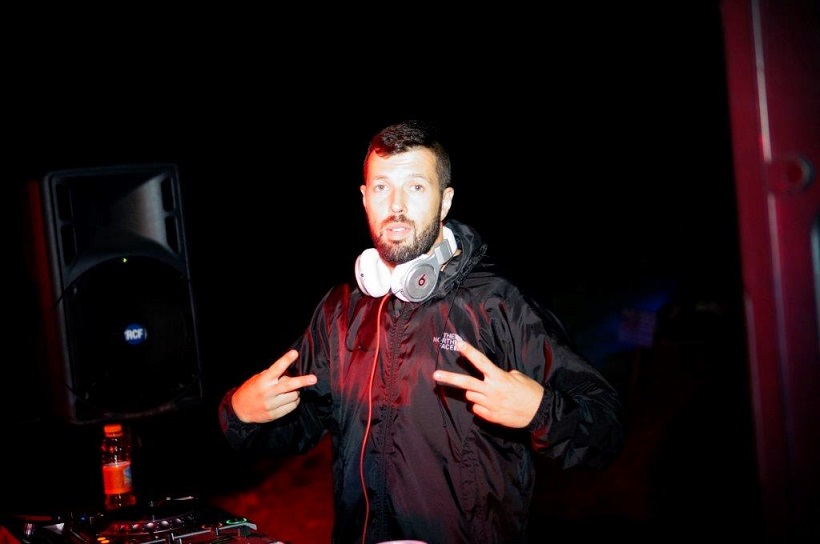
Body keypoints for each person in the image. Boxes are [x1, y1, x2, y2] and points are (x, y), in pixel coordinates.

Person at [218, 119, 626, 543]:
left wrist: (540, 411)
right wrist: (241, 413)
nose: (396, 205)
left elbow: (606, 427)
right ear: (364, 198)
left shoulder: (497, 304)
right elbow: (299, 423)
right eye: (382, 187)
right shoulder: (340, 310)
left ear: (445, 201)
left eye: (415, 186)